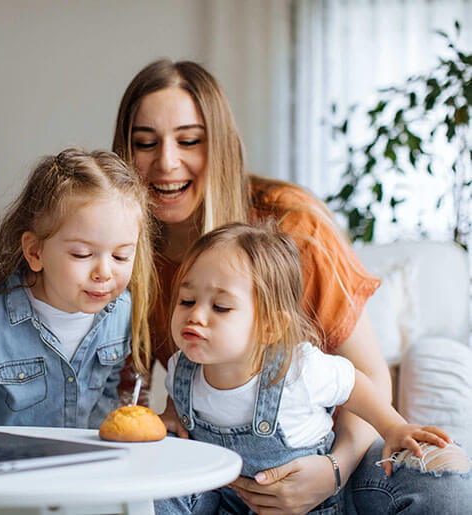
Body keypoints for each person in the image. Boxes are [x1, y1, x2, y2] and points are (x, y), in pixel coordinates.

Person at [112, 59, 471, 513]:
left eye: (189, 140)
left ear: (220, 145)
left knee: (446, 485)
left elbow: (368, 378)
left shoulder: (291, 225)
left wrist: (332, 471)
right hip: (218, 475)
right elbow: (135, 393)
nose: (166, 162)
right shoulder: (122, 251)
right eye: (146, 143)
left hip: (334, 453)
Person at [153, 223, 468, 514]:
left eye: (220, 307)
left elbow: (353, 383)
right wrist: (168, 418)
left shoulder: (298, 368)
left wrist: (393, 427)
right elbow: (180, 404)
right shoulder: (182, 366)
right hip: (224, 501)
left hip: (310, 507)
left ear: (270, 327)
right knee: (158, 491)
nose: (196, 316)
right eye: (187, 301)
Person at [0, 148, 156, 429]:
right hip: (3, 468)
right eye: (82, 254)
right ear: (35, 253)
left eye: (120, 256)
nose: (104, 273)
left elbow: (108, 395)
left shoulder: (121, 312)